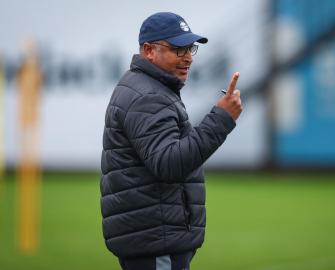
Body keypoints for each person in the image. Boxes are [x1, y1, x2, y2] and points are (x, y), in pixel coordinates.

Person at [100, 12, 242, 270]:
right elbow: (169, 163)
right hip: (156, 239)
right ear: (148, 50)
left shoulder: (147, 87)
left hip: (153, 235)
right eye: (178, 49)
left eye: (190, 48)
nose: (188, 57)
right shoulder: (149, 95)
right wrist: (222, 119)